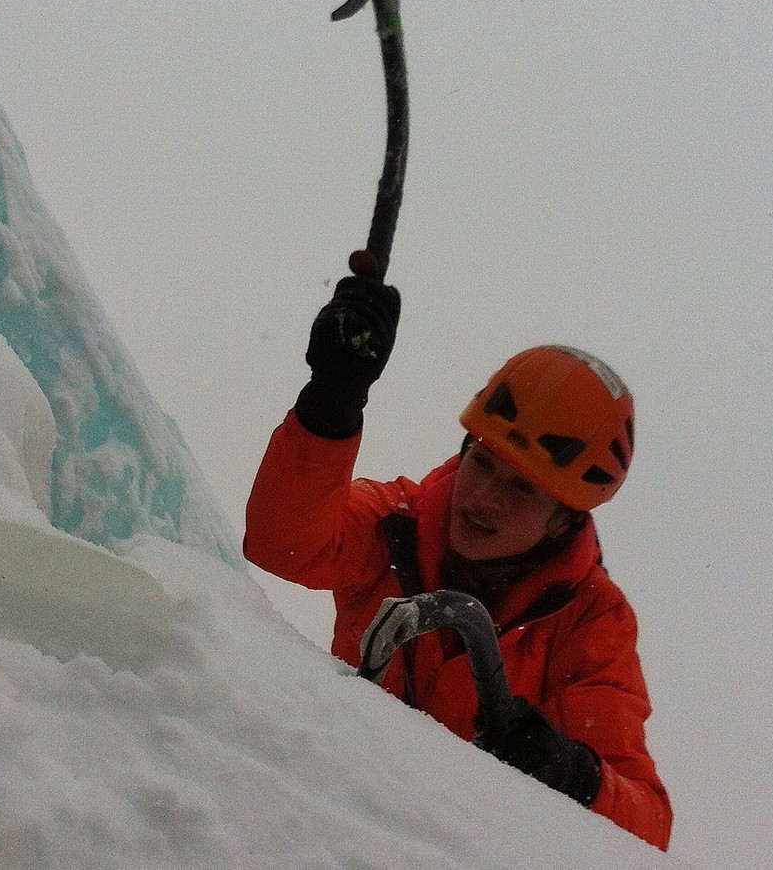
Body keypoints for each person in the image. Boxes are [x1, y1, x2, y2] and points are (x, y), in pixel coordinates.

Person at [244, 275, 672, 850]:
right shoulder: (399, 525)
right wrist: (331, 402)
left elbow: (646, 829)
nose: (484, 498)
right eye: (484, 462)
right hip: (332, 822)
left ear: (563, 520)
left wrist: (573, 774)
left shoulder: (590, 623)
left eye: (521, 489)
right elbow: (282, 542)